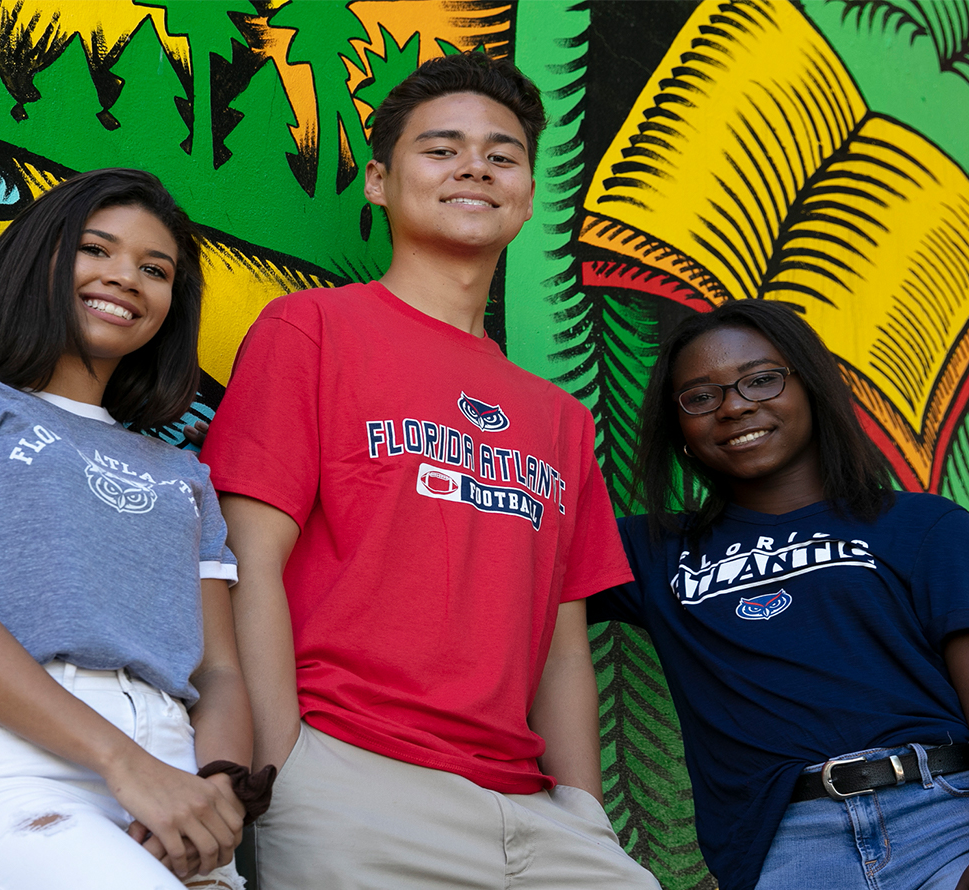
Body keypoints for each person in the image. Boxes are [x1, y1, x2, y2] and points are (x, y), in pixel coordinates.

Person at [199, 53, 658, 889]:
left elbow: (562, 642)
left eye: (502, 154)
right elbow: (245, 560)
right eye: (441, 149)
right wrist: (283, 769)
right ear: (378, 181)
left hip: (533, 809)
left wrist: (586, 811)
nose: (475, 167)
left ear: (525, 191)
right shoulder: (312, 329)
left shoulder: (561, 417)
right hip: (351, 776)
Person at [0, 168, 267, 890]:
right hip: (16, 758)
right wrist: (123, 763)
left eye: (155, 268)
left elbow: (219, 670)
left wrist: (221, 789)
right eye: (96, 250)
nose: (126, 278)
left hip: (179, 781)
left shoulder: (183, 473)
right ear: (39, 260)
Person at [588, 298, 969, 890]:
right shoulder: (654, 552)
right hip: (791, 850)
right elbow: (502, 555)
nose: (735, 406)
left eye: (761, 380)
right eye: (700, 396)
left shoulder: (923, 526)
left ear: (811, 388)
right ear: (681, 428)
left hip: (946, 821)